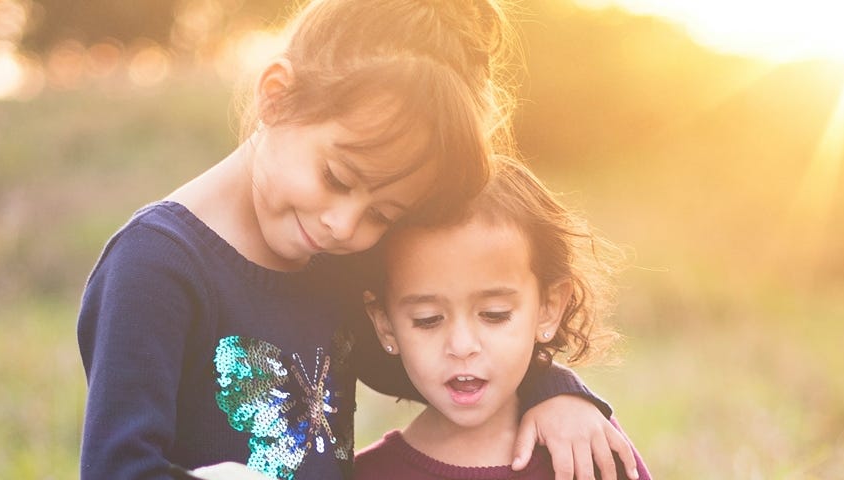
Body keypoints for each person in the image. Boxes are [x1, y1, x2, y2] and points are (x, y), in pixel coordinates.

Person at [77, 1, 638, 479]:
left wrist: (557, 393)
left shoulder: (330, 259)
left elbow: (446, 366)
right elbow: (118, 466)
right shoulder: (156, 266)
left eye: (384, 213)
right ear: (276, 96)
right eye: (337, 179)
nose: (345, 226)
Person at [355, 159, 651, 480]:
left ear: (549, 308)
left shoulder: (582, 445)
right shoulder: (370, 474)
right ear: (385, 324)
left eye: (494, 315)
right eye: (428, 319)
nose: (462, 346)